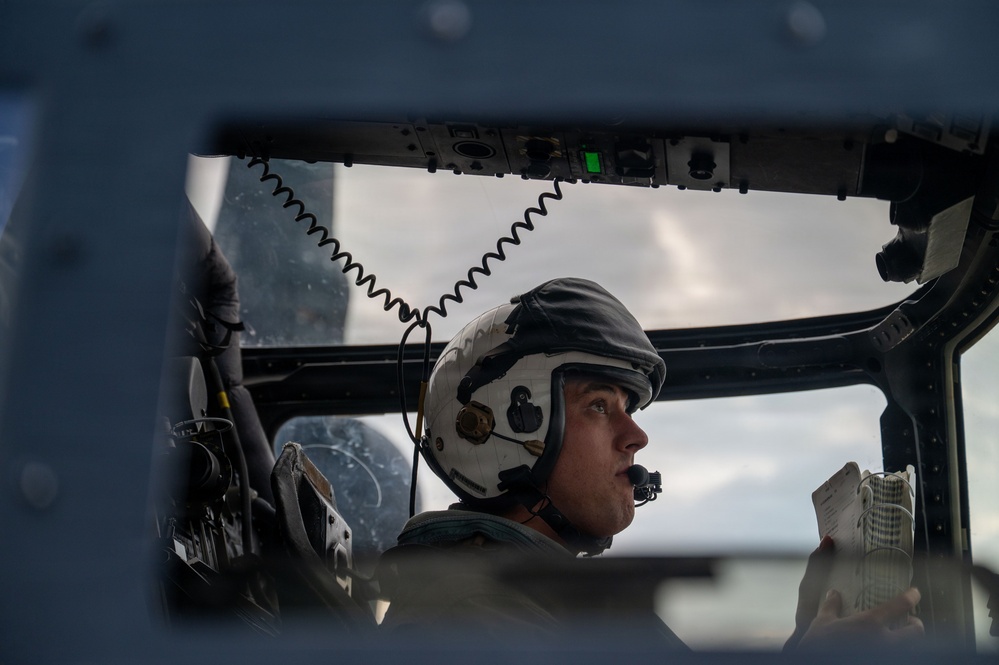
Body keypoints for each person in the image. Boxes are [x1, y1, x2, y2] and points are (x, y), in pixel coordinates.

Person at [376, 277, 923, 648]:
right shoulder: (461, 621)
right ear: (497, 424)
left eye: (628, 408)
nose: (636, 436)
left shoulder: (545, 599)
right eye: (598, 406)